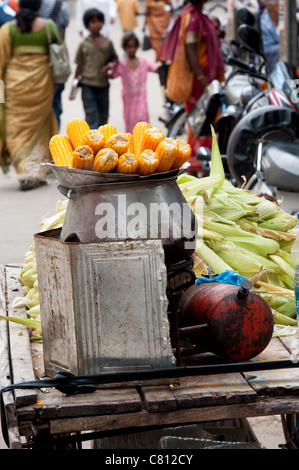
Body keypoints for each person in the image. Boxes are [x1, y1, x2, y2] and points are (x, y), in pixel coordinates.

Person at [0, 0, 59, 191]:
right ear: (38, 7)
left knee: (15, 130)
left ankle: (27, 173)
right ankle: (37, 170)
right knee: (40, 130)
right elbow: (59, 54)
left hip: (15, 90)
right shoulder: (49, 27)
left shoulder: (8, 30)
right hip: (42, 88)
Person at [175, 0, 225, 175]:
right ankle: (195, 169)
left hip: (204, 81)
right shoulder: (194, 19)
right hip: (199, 83)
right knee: (200, 126)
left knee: (203, 125)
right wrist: (202, 79)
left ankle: (200, 166)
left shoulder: (199, 17)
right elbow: (190, 50)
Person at [73, 8, 118, 129]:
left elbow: (115, 59)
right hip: (87, 84)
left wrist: (110, 66)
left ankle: (103, 145)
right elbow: (79, 65)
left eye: (99, 21)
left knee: (104, 116)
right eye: (93, 22)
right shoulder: (84, 44)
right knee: (91, 115)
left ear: (103, 23)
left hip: (103, 84)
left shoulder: (107, 43)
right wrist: (74, 82)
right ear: (87, 24)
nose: (96, 24)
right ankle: (91, 144)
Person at [109, 32, 159, 133]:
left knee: (143, 125)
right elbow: (112, 75)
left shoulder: (144, 62)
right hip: (128, 102)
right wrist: (109, 66)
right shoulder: (122, 64)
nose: (132, 49)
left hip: (141, 100)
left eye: (134, 46)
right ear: (124, 48)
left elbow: (157, 68)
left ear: (137, 47)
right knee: (131, 126)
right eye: (129, 47)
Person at [39, 0, 70, 129]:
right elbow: (62, 36)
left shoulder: (35, 4)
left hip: (40, 63)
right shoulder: (61, 5)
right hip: (57, 62)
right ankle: (55, 141)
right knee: (55, 104)